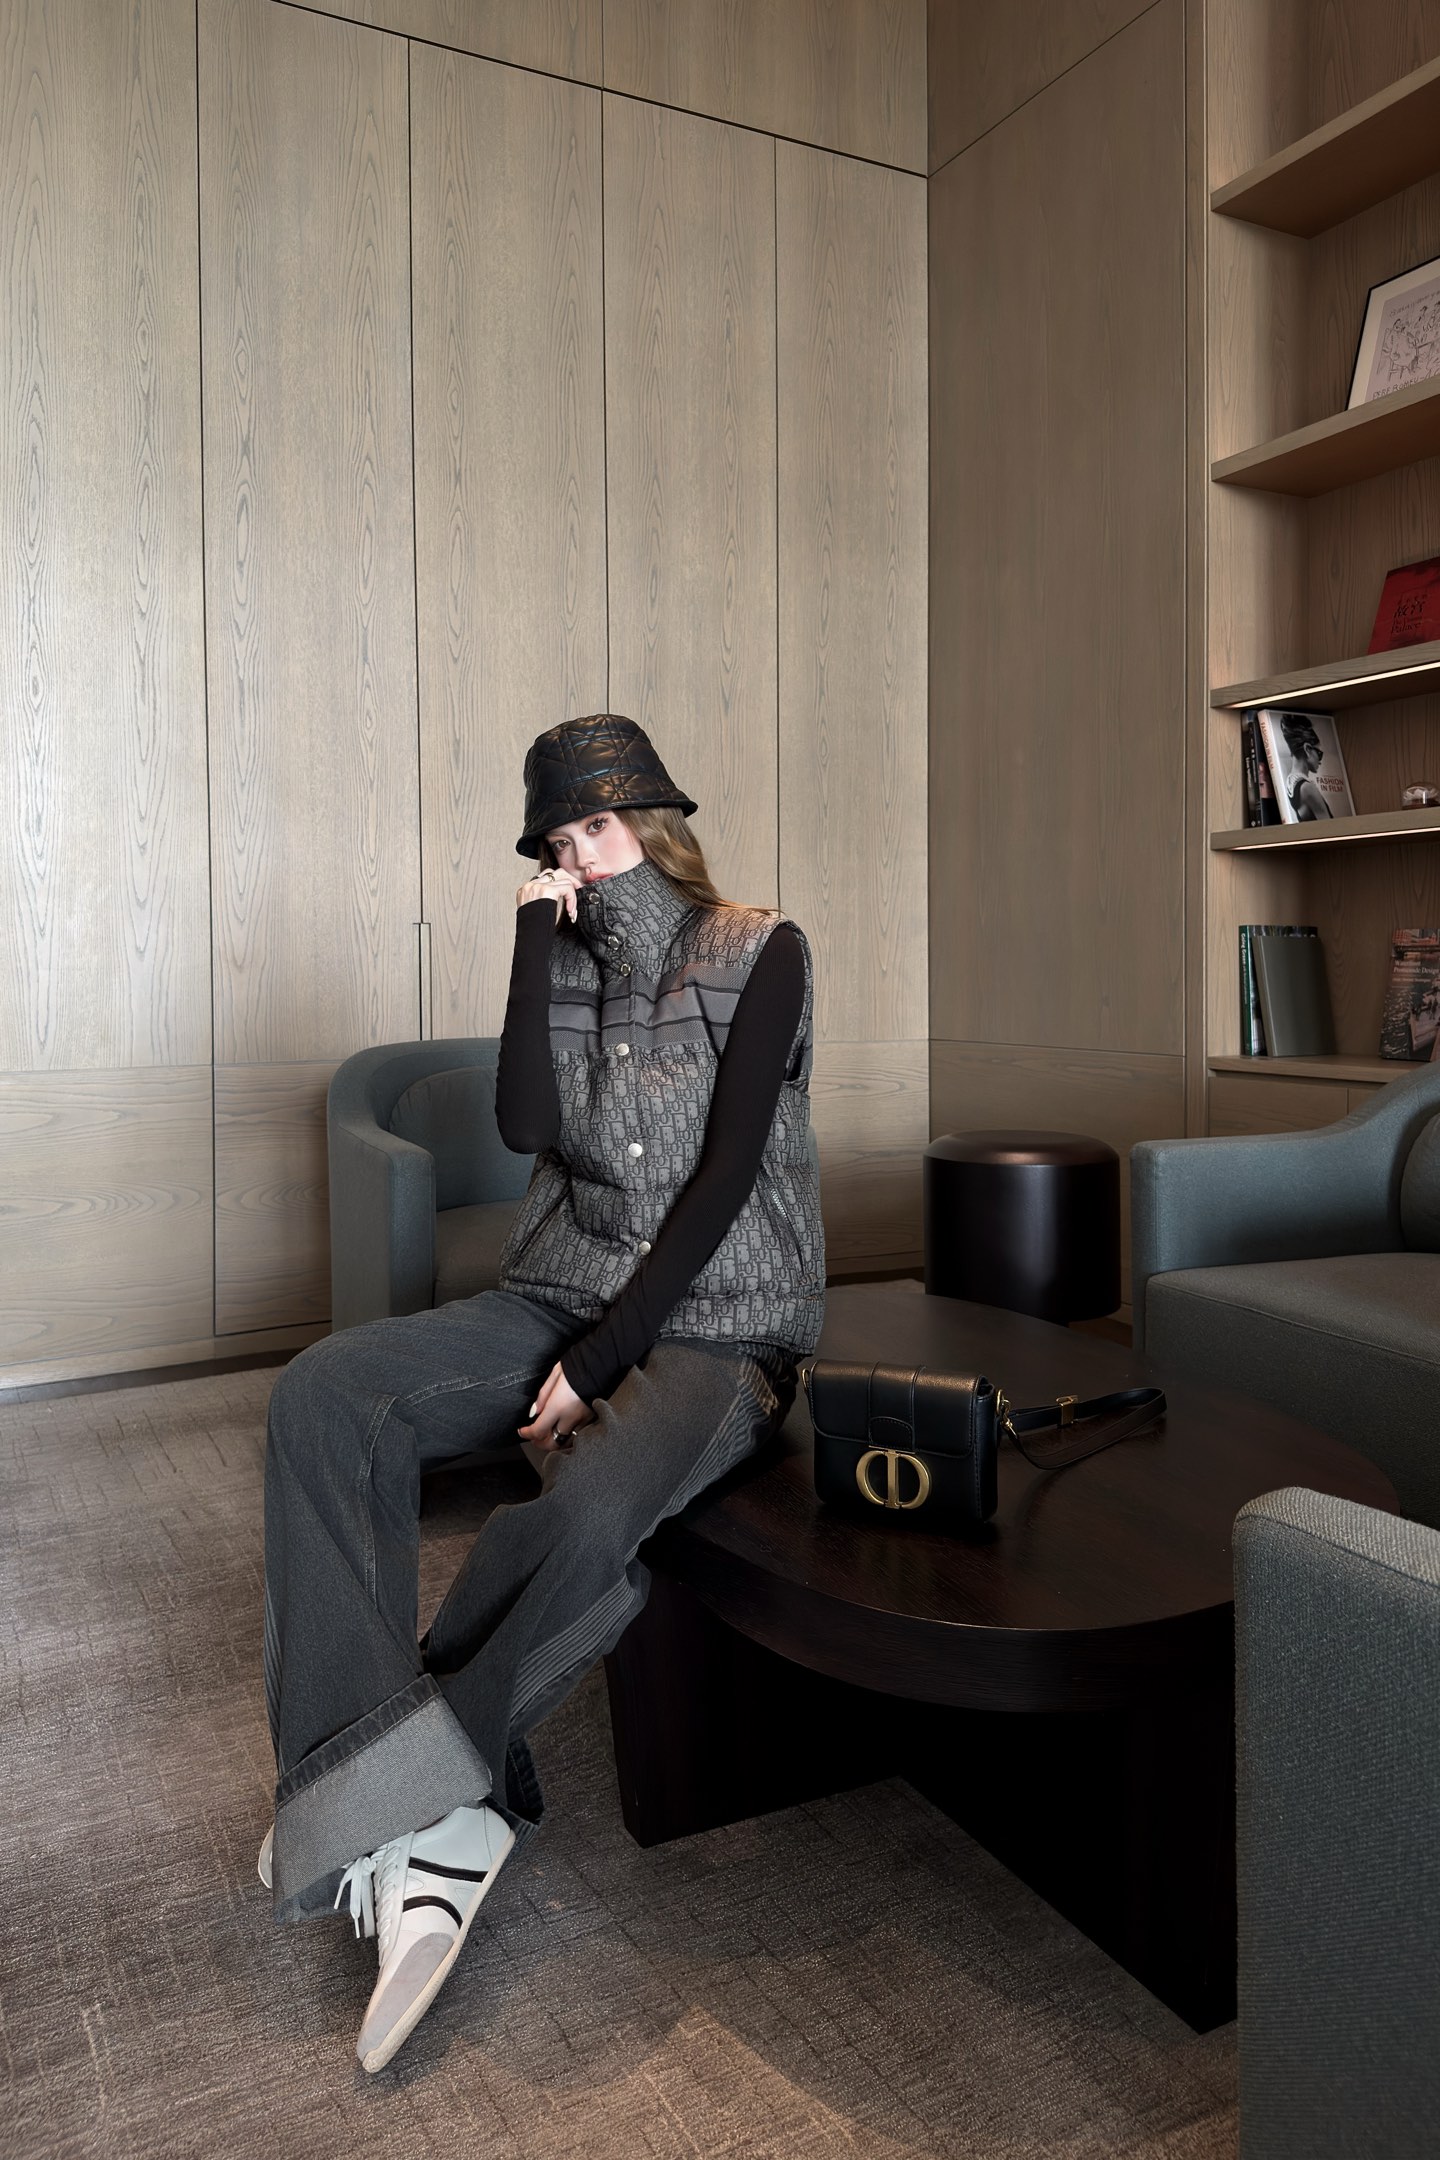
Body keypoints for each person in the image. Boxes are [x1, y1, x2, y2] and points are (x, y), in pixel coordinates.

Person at [257, 712, 826, 2073]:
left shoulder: (761, 950)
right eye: (562, 839)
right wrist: (531, 942)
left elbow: (725, 1181)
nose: (585, 855)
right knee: (324, 1397)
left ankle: (413, 1808)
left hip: (721, 1322)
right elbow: (524, 1122)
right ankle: (388, 1795)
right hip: (555, 1293)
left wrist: (603, 1360)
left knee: (585, 1511)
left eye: (603, 826)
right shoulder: (560, 958)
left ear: (658, 824)